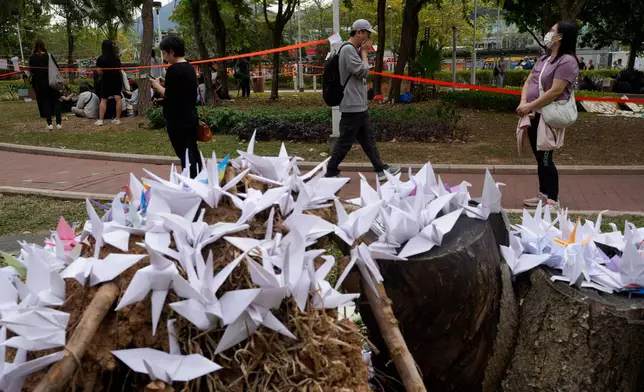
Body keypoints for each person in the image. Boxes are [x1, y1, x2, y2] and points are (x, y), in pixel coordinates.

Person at [516, 21, 580, 210]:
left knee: (545, 158)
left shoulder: (567, 61)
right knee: (539, 157)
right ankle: (543, 195)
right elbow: (529, 82)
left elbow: (555, 91)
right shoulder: (543, 59)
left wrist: (529, 106)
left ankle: (553, 199)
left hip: (548, 116)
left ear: (560, 37)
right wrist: (523, 103)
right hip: (534, 114)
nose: (548, 33)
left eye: (552, 31)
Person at [325, 19, 400, 181]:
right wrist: (365, 53)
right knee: (345, 142)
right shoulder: (348, 50)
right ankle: (331, 170)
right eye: (366, 34)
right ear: (359, 32)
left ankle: (380, 169)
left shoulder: (352, 50)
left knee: (368, 140)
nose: (368, 38)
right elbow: (362, 72)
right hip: (352, 105)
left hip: (358, 105)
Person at [150, 36, 202, 178]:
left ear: (171, 52)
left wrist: (157, 85)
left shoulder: (174, 70)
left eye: (165, 53)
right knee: (192, 150)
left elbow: (170, 95)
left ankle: (192, 182)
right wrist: (164, 83)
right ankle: (198, 178)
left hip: (178, 119)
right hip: (190, 116)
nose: (164, 57)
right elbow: (181, 90)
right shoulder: (189, 68)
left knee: (184, 153)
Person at [28, 39, 62, 130]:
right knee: (56, 101)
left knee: (45, 102)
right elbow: (57, 68)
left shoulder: (32, 58)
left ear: (35, 46)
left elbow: (32, 71)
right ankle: (59, 123)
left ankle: (49, 123)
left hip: (40, 84)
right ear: (43, 45)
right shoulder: (49, 56)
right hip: (52, 82)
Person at [95, 40, 123, 126]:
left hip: (106, 80)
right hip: (117, 79)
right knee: (118, 98)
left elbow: (99, 71)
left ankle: (100, 120)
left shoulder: (101, 58)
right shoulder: (116, 58)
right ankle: (117, 119)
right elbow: (119, 68)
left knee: (103, 100)